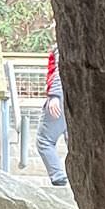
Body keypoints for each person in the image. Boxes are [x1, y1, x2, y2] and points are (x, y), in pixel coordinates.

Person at [37, 46, 69, 187]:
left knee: (44, 140)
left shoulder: (62, 45)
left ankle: (58, 177)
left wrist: (54, 95)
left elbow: (59, 69)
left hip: (60, 96)